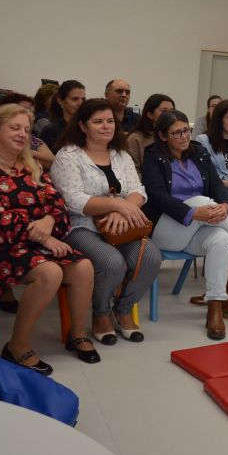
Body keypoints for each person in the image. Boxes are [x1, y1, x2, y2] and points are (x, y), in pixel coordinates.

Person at [0, 104, 98, 373]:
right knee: (49, 273)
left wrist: (48, 221)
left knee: (83, 267)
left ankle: (77, 333)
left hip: (33, 242)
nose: (23, 134)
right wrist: (46, 239)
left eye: (26, 129)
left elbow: (58, 205)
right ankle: (17, 346)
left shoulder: (31, 165)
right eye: (14, 127)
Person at [141, 109, 228, 340]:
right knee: (201, 200)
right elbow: (157, 196)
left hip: (198, 227)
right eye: (177, 133)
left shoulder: (198, 152)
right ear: (163, 136)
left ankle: (215, 308)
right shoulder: (153, 156)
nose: (184, 136)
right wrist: (196, 211)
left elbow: (217, 186)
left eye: (186, 130)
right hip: (165, 231)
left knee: (221, 238)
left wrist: (225, 206)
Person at [51, 98, 161, 345]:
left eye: (110, 121)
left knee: (151, 257)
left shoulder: (120, 154)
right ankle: (100, 313)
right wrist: (116, 204)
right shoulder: (68, 155)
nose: (106, 126)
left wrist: (120, 211)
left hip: (121, 226)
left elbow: (138, 190)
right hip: (81, 226)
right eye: (97, 121)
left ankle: (122, 310)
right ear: (82, 126)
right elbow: (73, 199)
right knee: (112, 263)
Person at [0, 92, 56, 168]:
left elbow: (51, 159)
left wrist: (25, 152)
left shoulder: (31, 138)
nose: (28, 113)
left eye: (31, 111)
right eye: (15, 128)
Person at [124, 94, 174, 168]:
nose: (169, 115)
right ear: (150, 115)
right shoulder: (135, 139)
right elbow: (133, 171)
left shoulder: (176, 136)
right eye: (164, 111)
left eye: (172, 111)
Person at [39, 80, 85, 152]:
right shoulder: (50, 131)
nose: (80, 103)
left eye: (83, 99)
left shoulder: (87, 127)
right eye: (74, 99)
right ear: (60, 100)